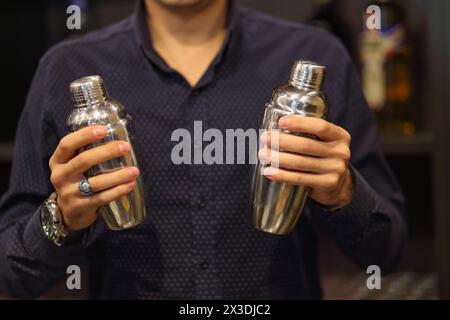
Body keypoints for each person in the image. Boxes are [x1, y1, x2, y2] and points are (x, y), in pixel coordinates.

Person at [0, 0, 406, 299]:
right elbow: (11, 272)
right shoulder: (65, 69)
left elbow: (387, 251)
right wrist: (63, 218)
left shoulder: (317, 58)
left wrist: (343, 194)